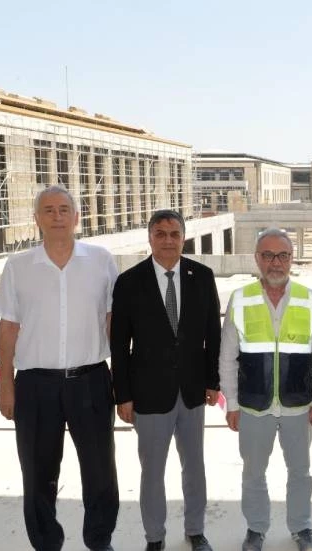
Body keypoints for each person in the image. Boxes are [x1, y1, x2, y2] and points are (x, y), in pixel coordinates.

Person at [0, 185, 119, 551]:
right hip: (35, 385)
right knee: (38, 472)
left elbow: (114, 321)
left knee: (100, 470)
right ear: (37, 219)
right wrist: (5, 385)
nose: (57, 216)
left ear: (76, 217)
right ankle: (46, 543)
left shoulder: (101, 260)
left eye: (64, 209)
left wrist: (124, 380)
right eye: (48, 210)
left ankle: (99, 540)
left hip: (91, 381)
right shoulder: (18, 267)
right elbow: (8, 327)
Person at [111, 209, 221, 551]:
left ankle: (195, 530)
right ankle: (154, 537)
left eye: (174, 234)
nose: (168, 240)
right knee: (153, 471)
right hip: (148, 395)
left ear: (184, 238)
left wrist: (212, 381)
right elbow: (119, 345)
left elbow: (213, 334)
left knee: (195, 466)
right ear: (150, 238)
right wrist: (122, 396)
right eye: (160, 234)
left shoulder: (202, 276)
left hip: (192, 391)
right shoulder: (128, 282)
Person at [219, 228, 312, 551]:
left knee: (300, 472)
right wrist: (231, 403)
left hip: (298, 405)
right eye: (268, 255)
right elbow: (227, 357)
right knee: (253, 473)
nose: (275, 262)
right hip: (253, 405)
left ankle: (302, 527)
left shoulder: (309, 299)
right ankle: (256, 528)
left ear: (292, 259)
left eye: (282, 255)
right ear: (257, 259)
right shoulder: (241, 299)